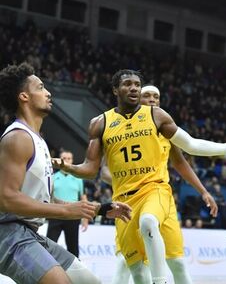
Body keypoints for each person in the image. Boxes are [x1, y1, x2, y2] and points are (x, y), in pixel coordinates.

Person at [54, 69, 226, 284]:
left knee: (150, 225)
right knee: (135, 270)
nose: (134, 88)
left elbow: (191, 145)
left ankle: (160, 281)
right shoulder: (100, 123)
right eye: (128, 84)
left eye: (137, 84)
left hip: (155, 190)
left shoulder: (157, 116)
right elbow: (91, 169)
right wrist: (67, 167)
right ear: (115, 90)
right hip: (123, 201)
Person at [0, 62, 131, 284]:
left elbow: (44, 199)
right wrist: (67, 210)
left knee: (90, 282)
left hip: (30, 234)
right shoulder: (17, 138)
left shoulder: (37, 140)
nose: (48, 92)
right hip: (9, 235)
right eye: (40, 87)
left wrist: (98, 209)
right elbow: (6, 198)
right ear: (24, 97)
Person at [103, 84, 220, 284]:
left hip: (159, 198)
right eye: (146, 95)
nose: (152, 99)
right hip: (127, 201)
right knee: (126, 263)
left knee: (177, 264)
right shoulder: (118, 128)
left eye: (156, 97)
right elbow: (104, 169)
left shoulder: (165, 128)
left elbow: (181, 163)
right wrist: (126, 178)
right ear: (137, 99)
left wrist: (203, 191)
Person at [46, 149, 88, 258]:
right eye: (64, 158)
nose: (66, 160)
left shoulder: (78, 178)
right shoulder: (53, 177)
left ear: (72, 160)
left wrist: (85, 217)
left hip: (73, 216)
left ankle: (75, 273)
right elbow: (48, 196)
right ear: (59, 160)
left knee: (73, 247)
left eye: (68, 158)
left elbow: (83, 197)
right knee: (49, 245)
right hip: (55, 214)